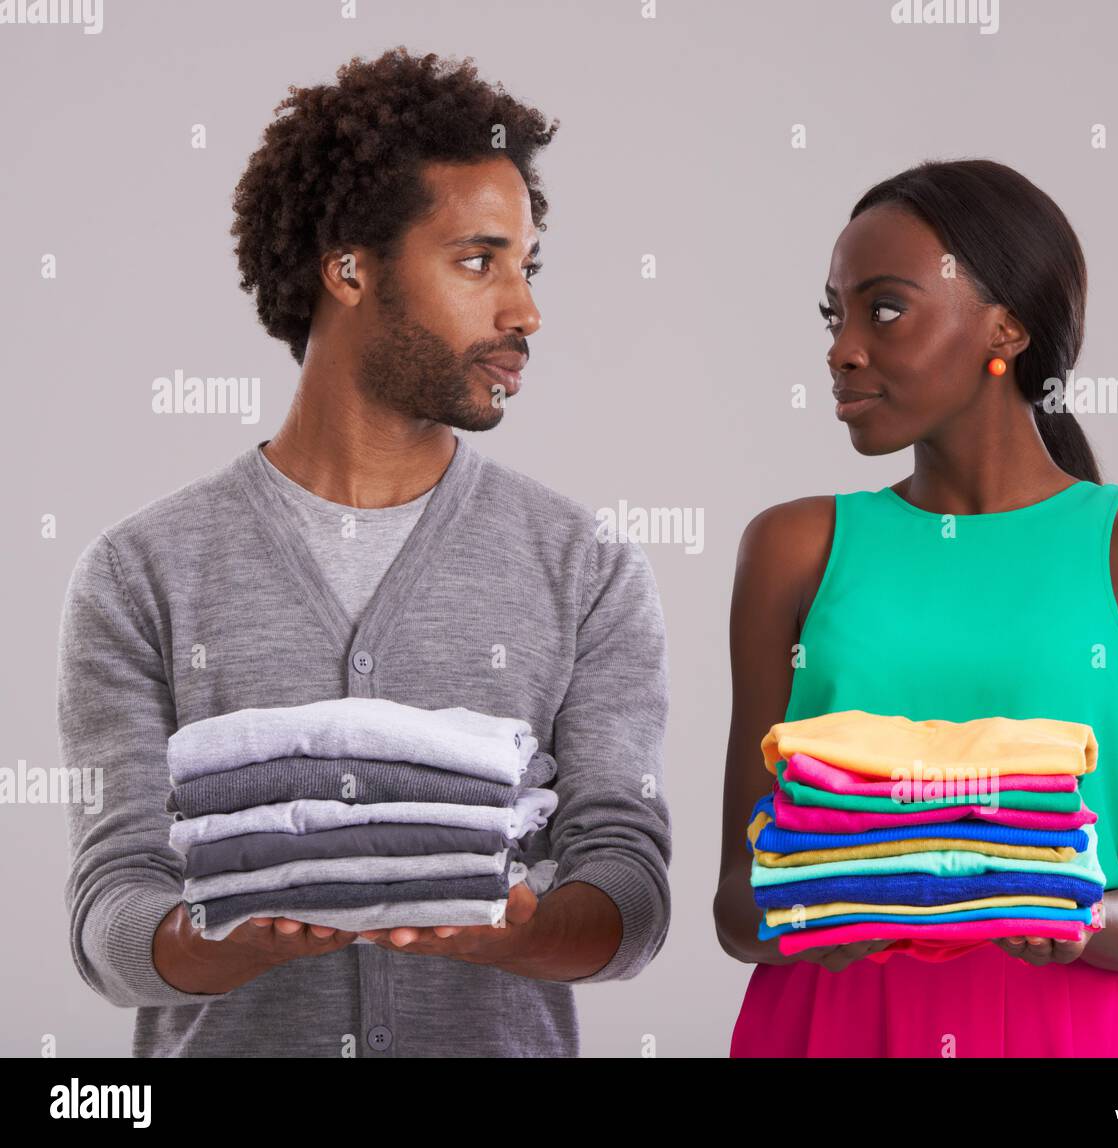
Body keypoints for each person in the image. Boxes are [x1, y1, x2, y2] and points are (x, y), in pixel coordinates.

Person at [57, 47, 671, 1058]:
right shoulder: (140, 572)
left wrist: (521, 928)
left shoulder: (586, 563)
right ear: (349, 269)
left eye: (527, 265)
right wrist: (218, 940)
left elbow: (628, 882)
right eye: (479, 262)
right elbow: (110, 907)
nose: (524, 311)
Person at [714, 159, 1118, 1057]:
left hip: (1070, 1029)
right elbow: (736, 907)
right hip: (831, 1026)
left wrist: (1067, 917)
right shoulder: (793, 547)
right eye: (835, 316)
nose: (841, 348)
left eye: (883, 308)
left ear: (1008, 326)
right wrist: (841, 910)